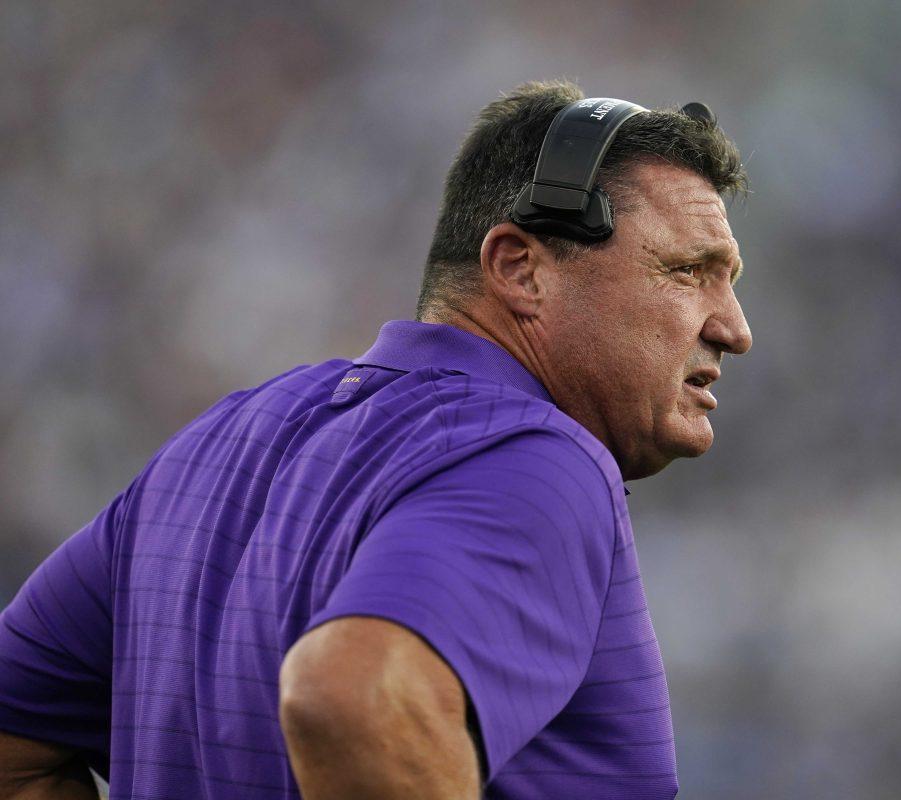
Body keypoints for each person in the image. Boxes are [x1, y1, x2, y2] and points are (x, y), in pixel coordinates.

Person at [0, 79, 751, 799]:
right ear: (520, 269)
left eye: (730, 280)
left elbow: (13, 748)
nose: (734, 329)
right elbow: (353, 696)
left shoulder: (212, 447)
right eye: (687, 272)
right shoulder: (539, 461)